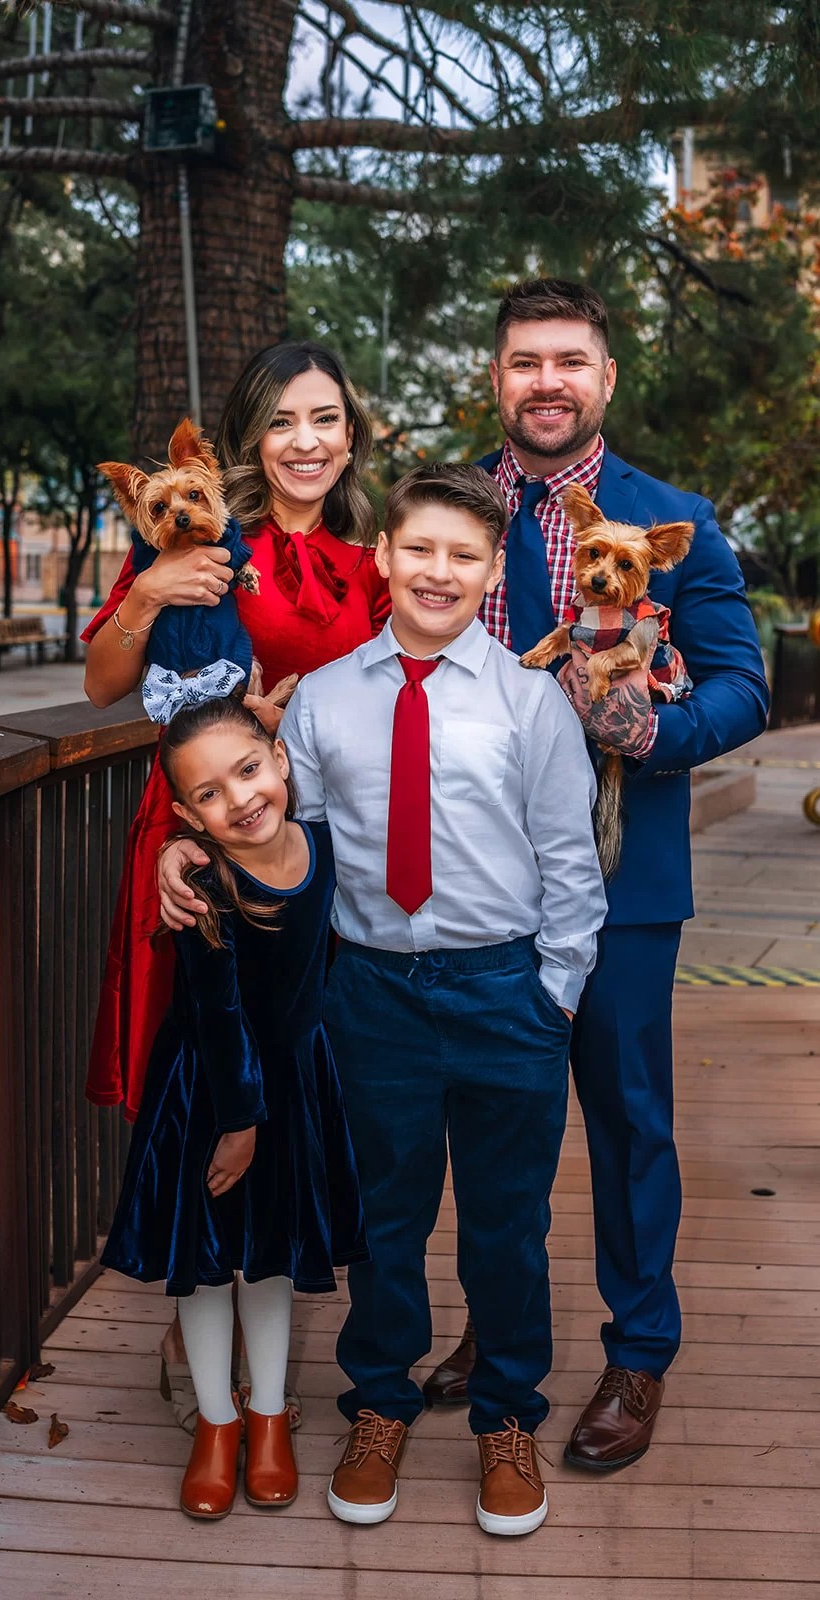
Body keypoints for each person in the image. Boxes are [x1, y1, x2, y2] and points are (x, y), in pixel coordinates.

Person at [418, 279, 770, 1469]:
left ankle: (638, 1351)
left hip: (624, 883)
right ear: (496, 378)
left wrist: (653, 731)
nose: (547, 381)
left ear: (604, 377)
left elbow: (740, 684)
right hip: (476, 873)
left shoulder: (673, 519)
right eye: (524, 361)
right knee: (489, 1119)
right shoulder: (447, 508)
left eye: (568, 360)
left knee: (625, 1119)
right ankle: (496, 1322)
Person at [279, 463, 606, 1534]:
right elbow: (296, 850)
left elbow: (568, 862)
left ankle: (506, 1417)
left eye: (463, 555)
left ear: (490, 572)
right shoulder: (324, 698)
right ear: (383, 555)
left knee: (507, 1225)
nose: (438, 571)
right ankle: (380, 1404)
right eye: (418, 547)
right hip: (371, 994)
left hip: (503, 992)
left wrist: (554, 996)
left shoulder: (528, 701)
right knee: (385, 1221)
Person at [82, 341, 389, 1422]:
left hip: (324, 855)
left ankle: (276, 1302)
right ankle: (195, 1300)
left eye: (324, 419)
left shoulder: (375, 557)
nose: (304, 442)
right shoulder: (197, 532)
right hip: (203, 838)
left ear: (350, 433)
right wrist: (145, 592)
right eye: (279, 421)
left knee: (302, 1069)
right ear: (249, 438)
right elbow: (103, 684)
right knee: (204, 1065)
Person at [101, 686, 368, 1521]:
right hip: (212, 1094)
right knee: (209, 1263)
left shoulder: (325, 847)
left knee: (272, 1257)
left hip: (293, 1084)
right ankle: (216, 1423)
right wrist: (239, 1122)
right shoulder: (201, 883)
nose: (241, 799)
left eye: (249, 771)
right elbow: (216, 1013)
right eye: (209, 794)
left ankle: (269, 1415)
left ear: (280, 761)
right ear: (186, 814)